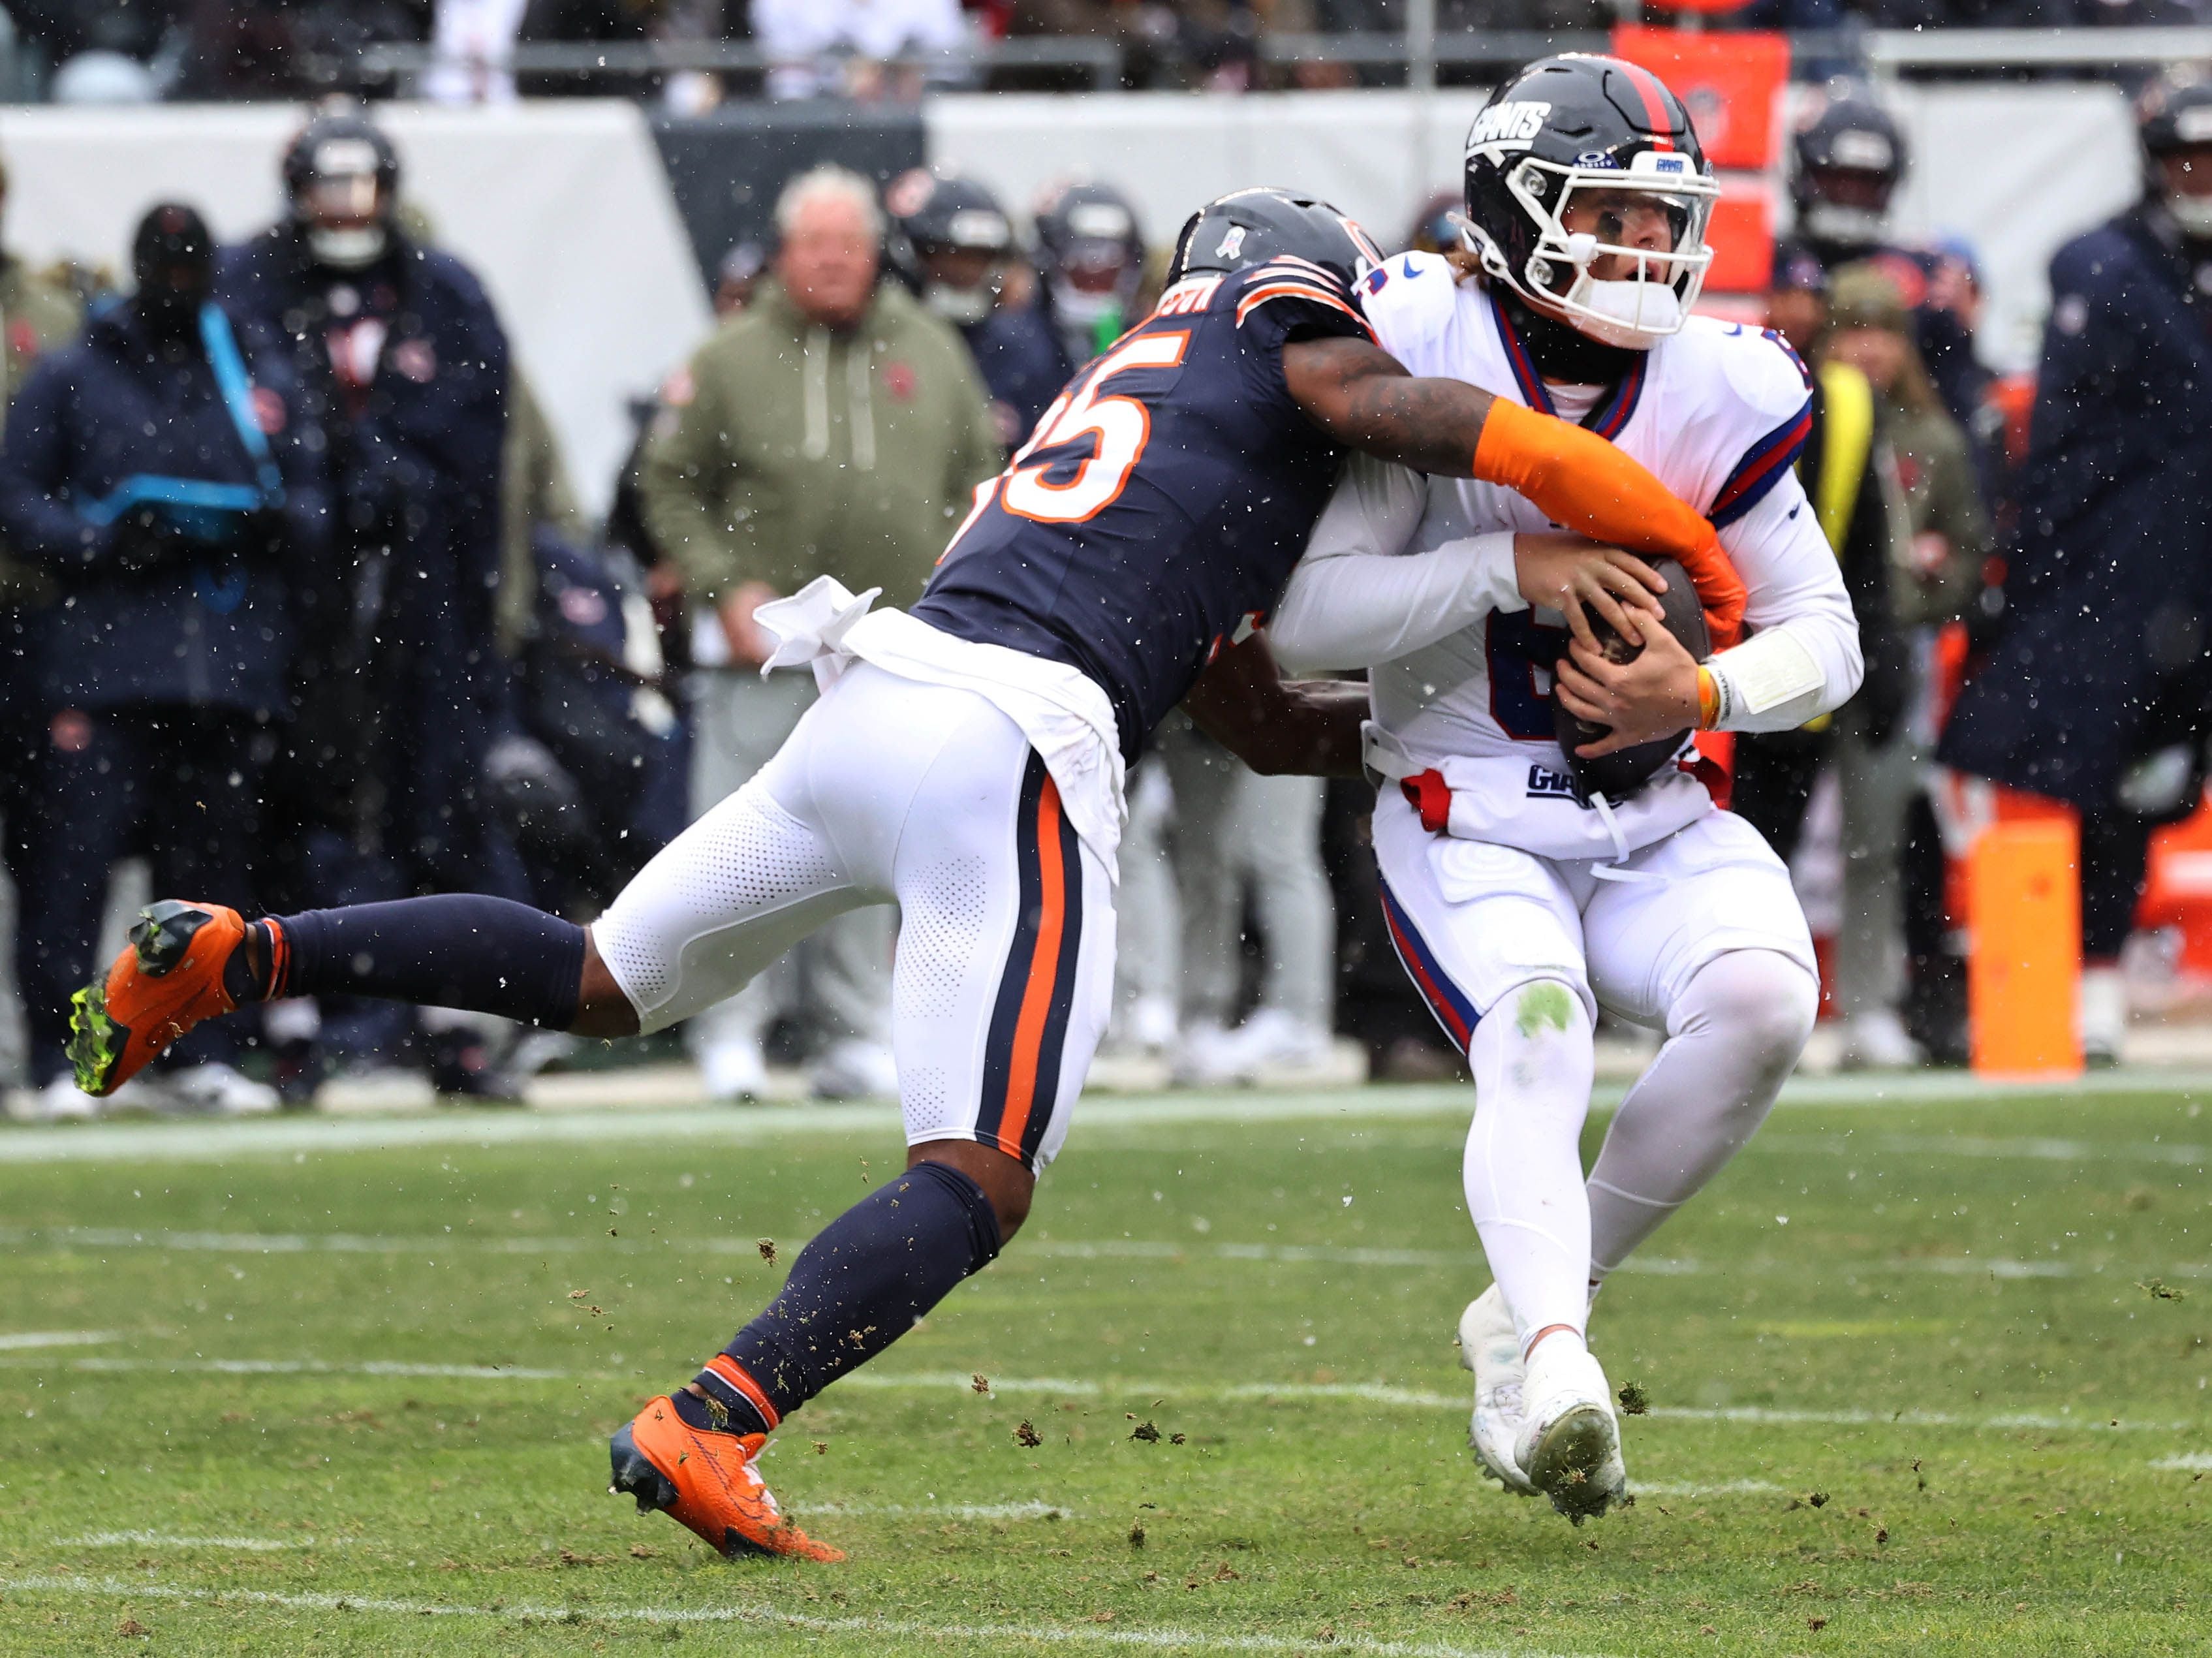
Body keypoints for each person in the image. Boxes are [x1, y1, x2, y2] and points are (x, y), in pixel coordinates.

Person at [69, 184, 1748, 1562]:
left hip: (881, 697)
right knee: (985, 1165)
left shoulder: (1130, 404)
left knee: (602, 976)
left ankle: (243, 950)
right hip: (1006, 743)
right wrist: (1668, 536)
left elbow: (1248, 707)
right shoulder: (1270, 335)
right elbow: (1429, 409)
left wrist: (1434, 748)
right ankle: (713, 1417)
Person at [1270, 57, 1860, 1522]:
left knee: (1767, 999)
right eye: (1608, 212)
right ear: (1508, 204)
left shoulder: (1720, 383)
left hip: (1650, 809)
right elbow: (1309, 619)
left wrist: (1699, 692)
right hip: (1460, 804)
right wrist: (1509, 565)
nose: (1643, 252)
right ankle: (1549, 1365)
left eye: (1663, 221)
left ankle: (1534, 1297)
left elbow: (1825, 635)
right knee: (1536, 1031)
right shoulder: (1419, 334)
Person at [642, 164, 1002, 1103]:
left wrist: (955, 602)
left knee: (867, 841)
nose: (836, 262)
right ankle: (730, 1032)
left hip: (893, 646)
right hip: (762, 648)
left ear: (875, 252)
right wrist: (722, 584)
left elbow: (981, 478)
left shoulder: (932, 347)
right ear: (785, 253)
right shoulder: (729, 357)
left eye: (851, 244)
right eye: (817, 245)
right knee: (734, 843)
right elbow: (667, 480)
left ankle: (853, 1030)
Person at [218, 104, 526, 1099]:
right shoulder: (250, 285)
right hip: (290, 592)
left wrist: (396, 466)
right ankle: (295, 1019)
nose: (346, 207)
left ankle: (453, 1024)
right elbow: (233, 415)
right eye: (327, 186)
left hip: (425, 590)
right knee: (290, 802)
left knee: (437, 803)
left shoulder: (445, 290)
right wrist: (318, 475)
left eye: (362, 185)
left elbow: (481, 430)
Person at [0, 204, 328, 1119]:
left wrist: (264, 521)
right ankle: (67, 1062)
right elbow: (18, 500)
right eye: (167, 268)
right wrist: (104, 540)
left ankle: (193, 1057)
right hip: (104, 665)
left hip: (221, 667)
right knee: (72, 872)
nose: (180, 286)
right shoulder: (74, 374)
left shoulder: (249, 369)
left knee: (206, 884)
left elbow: (311, 496)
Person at [1940, 71, 2212, 1068]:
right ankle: (2073, 985)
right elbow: (2067, 442)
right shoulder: (2105, 266)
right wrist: (2041, 561)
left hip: (2188, 576)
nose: (2202, 178)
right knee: (2099, 775)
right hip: (2129, 571)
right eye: (2189, 158)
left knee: (2157, 780)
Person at [1822, 263, 1990, 1070]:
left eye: (1882, 330)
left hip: (1899, 651)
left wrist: (1927, 577)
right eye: (1851, 329)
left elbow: (1969, 555)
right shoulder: (1799, 422)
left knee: (1875, 841)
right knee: (1760, 830)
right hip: (1803, 642)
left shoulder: (1932, 440)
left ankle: (1867, 1005)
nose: (1867, 348)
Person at [886, 166, 1070, 448]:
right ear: (910, 253)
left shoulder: (1024, 350)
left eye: (979, 258)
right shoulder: (876, 342)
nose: (964, 274)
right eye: (947, 255)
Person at [1031, 177, 1147, 368]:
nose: (1096, 269)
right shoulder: (1015, 343)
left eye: (1111, 266)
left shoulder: (1144, 343)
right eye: (1080, 264)